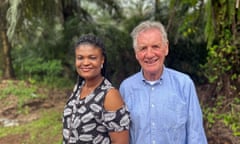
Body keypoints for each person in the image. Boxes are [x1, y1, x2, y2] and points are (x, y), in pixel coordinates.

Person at [119, 20, 208, 144]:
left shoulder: (184, 84)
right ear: (136, 54)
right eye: (143, 48)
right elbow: (122, 136)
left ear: (166, 49)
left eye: (155, 46)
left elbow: (195, 135)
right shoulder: (126, 88)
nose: (149, 54)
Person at [63, 34, 130, 144]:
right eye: (80, 58)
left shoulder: (109, 96)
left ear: (102, 60)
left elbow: (120, 142)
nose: (85, 63)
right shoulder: (78, 88)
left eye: (92, 57)